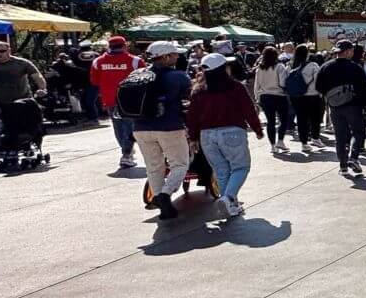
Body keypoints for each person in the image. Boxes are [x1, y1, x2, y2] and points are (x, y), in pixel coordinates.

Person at [186, 52, 264, 218]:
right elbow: (249, 110)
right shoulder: (235, 87)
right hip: (232, 132)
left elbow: (192, 117)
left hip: (206, 135)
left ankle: (231, 205)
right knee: (241, 167)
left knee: (221, 171)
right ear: (223, 69)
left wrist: (193, 138)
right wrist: (257, 129)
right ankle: (227, 198)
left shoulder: (198, 90)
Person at [130, 41, 193, 220]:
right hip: (169, 126)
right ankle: (163, 195)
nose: (177, 57)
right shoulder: (178, 76)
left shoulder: (136, 74)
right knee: (180, 164)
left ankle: (164, 207)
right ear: (165, 57)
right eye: (174, 54)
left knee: (154, 167)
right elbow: (189, 97)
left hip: (140, 127)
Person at [316, 39, 366, 176]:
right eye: (351, 50)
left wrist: (331, 96)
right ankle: (354, 157)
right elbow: (364, 88)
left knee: (339, 136)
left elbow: (318, 87)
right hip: (353, 105)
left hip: (334, 106)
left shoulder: (326, 67)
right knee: (358, 132)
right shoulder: (355, 67)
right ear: (347, 52)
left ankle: (343, 166)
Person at [90, 35, 143, 168]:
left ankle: (126, 151)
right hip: (131, 101)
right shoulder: (135, 61)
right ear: (125, 46)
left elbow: (94, 81)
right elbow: (145, 79)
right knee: (130, 126)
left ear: (109, 46)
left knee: (118, 127)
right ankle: (127, 153)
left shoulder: (98, 62)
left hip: (110, 100)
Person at [0, 39, 46, 106]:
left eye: (2, 51)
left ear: (9, 50)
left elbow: (37, 77)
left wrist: (42, 89)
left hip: (23, 100)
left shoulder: (22, 63)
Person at [252, 45, 291, 154]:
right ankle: (280, 141)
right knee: (283, 120)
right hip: (279, 95)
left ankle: (273, 145)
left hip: (264, 96)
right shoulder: (280, 66)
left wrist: (257, 97)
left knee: (270, 121)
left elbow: (257, 84)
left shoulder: (260, 67)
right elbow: (283, 83)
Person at [286, 44, 323, 150]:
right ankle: (315, 138)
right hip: (312, 96)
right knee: (315, 118)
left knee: (301, 119)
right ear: (307, 53)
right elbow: (318, 80)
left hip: (296, 96)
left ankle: (304, 143)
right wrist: (321, 94)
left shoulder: (289, 65)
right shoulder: (313, 65)